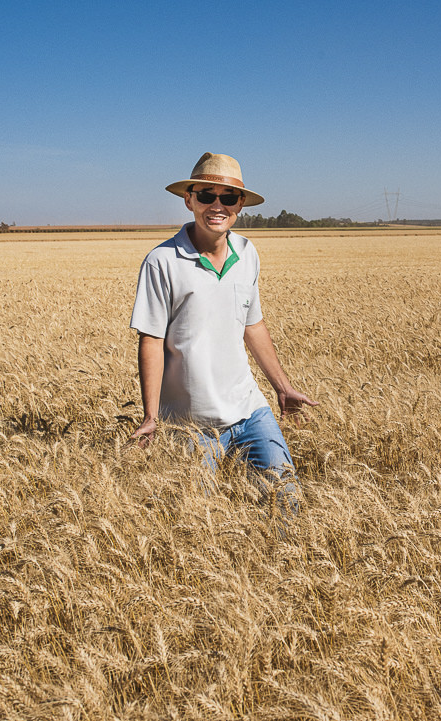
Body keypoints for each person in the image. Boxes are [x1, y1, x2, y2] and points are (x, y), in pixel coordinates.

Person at [128, 152, 317, 520]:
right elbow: (150, 340)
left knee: (287, 504)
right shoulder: (162, 261)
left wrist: (282, 387)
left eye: (228, 198)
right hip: (190, 423)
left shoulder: (248, 253)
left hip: (250, 411)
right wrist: (151, 416)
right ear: (189, 200)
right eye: (206, 195)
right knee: (197, 524)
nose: (217, 206)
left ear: (241, 204)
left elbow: (252, 324)